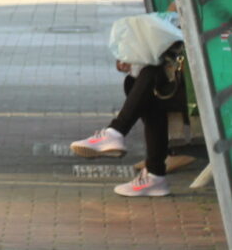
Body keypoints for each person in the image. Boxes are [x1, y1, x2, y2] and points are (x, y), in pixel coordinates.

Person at [71, 41, 188, 198]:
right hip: (203, 82)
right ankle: (153, 174)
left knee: (149, 84)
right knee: (143, 83)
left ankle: (117, 135)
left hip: (212, 89)